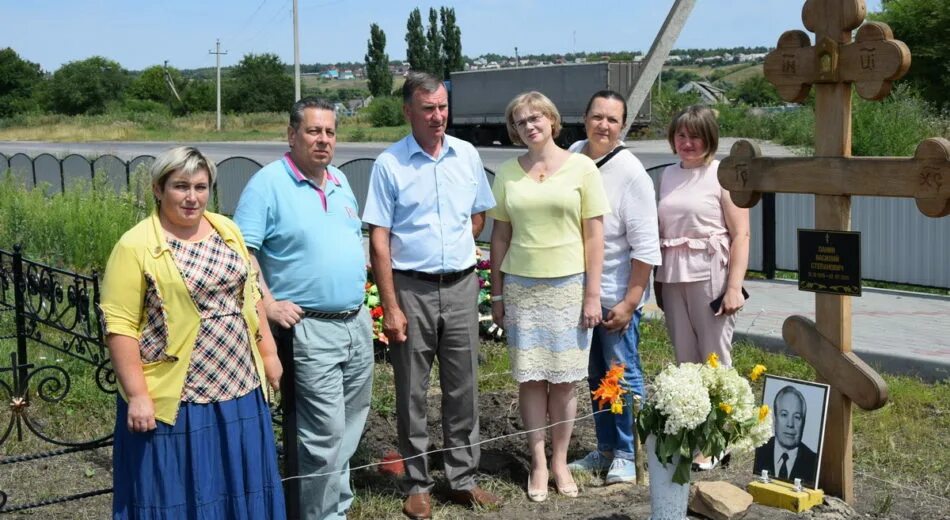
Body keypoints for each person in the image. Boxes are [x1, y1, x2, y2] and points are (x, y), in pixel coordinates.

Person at [101, 146, 285, 519]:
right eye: (180, 186)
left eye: (200, 187)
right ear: (158, 188)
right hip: (179, 398)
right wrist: (137, 394)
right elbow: (119, 327)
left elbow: (250, 294)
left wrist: (268, 355)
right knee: (178, 491)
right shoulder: (135, 245)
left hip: (239, 386)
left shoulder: (226, 229)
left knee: (240, 486)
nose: (192, 197)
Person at [363, 71, 499, 520]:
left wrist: (453, 249)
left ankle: (462, 479)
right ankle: (417, 483)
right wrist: (392, 306)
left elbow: (477, 217)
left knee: (464, 388)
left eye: (443, 107)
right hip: (411, 289)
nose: (438, 116)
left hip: (461, 286)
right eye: (428, 109)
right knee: (412, 392)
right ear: (408, 112)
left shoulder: (467, 155)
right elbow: (379, 240)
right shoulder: (390, 164)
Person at [233, 97, 374, 520]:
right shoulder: (269, 184)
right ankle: (318, 516)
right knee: (322, 436)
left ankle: (337, 509)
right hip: (310, 329)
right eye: (314, 131)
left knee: (349, 430)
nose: (323, 140)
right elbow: (243, 252)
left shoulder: (338, 181)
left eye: (330, 132)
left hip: (355, 323)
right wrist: (269, 304)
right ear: (291, 134)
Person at [489, 91, 609, 502]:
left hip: (569, 288)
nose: (530, 126)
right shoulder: (506, 172)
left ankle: (560, 461)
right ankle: (537, 463)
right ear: (515, 129)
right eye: (521, 122)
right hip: (522, 288)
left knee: (564, 382)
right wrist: (497, 296)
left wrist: (592, 294)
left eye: (536, 118)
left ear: (552, 121)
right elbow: (500, 235)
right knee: (531, 378)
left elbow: (594, 235)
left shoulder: (582, 168)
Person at [566, 90, 661, 484]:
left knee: (620, 375)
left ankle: (627, 452)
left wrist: (631, 300)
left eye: (612, 120)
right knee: (594, 376)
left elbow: (645, 247)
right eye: (597, 116)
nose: (603, 125)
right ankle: (604, 448)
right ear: (584, 117)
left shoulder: (631, 173)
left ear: (623, 126)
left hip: (615, 294)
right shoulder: (573, 155)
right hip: (579, 292)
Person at [654, 105, 750, 367]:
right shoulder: (667, 175)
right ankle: (690, 408)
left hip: (710, 273)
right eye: (681, 135)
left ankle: (725, 408)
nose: (687, 143)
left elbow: (741, 234)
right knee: (684, 357)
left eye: (695, 136)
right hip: (672, 275)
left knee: (714, 357)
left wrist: (733, 289)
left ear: (709, 138)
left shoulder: (722, 174)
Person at [754, 385, 819, 484]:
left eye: (797, 417)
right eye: (784, 415)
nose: (790, 424)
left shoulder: (813, 462)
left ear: (803, 422)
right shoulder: (760, 450)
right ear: (774, 418)